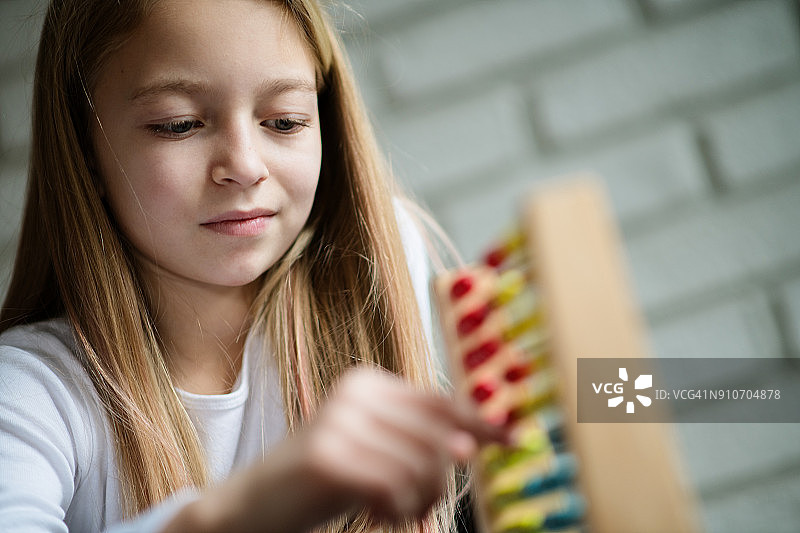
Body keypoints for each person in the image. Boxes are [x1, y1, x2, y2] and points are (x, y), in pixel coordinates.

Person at [0, 1, 503, 531]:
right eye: (179, 125)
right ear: (84, 151)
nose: (243, 166)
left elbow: (592, 397)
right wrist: (250, 506)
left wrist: (600, 391)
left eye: (284, 121)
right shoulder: (30, 392)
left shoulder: (378, 262)